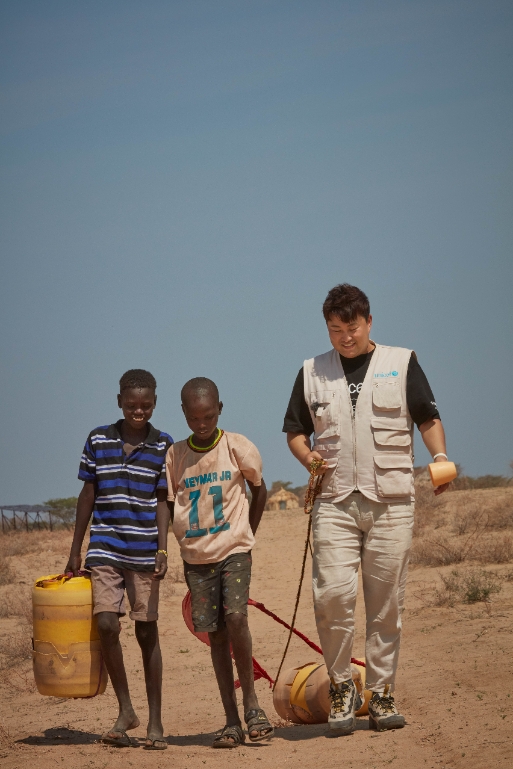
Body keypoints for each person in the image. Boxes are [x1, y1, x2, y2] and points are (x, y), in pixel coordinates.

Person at [284, 284, 450, 735]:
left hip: (391, 502)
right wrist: (309, 458)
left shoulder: (402, 362)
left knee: (386, 603)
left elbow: (427, 417)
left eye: (352, 327)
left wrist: (439, 458)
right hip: (334, 502)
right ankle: (342, 688)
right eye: (335, 329)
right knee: (332, 597)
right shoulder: (311, 371)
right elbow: (296, 431)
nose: (345, 337)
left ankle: (381, 693)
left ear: (369, 322)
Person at [160, 377, 272, 749]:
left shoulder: (237, 447)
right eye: (194, 418)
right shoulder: (175, 456)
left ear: (219, 409)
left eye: (208, 416)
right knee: (216, 635)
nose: (202, 424)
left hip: (235, 550)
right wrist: (167, 545)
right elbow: (169, 504)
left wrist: (247, 534)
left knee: (236, 617)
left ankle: (253, 706)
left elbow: (259, 490)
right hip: (196, 560)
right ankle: (231, 721)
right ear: (184, 414)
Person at [65, 369, 173, 749]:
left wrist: (163, 548)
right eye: (131, 405)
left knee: (146, 632)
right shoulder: (98, 439)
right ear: (119, 402)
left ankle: (155, 721)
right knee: (106, 624)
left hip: (144, 549)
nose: (138, 412)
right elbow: (88, 494)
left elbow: (163, 501)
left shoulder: (164, 445)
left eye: (145, 406)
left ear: (154, 404)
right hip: (105, 546)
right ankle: (126, 709)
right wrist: (76, 548)